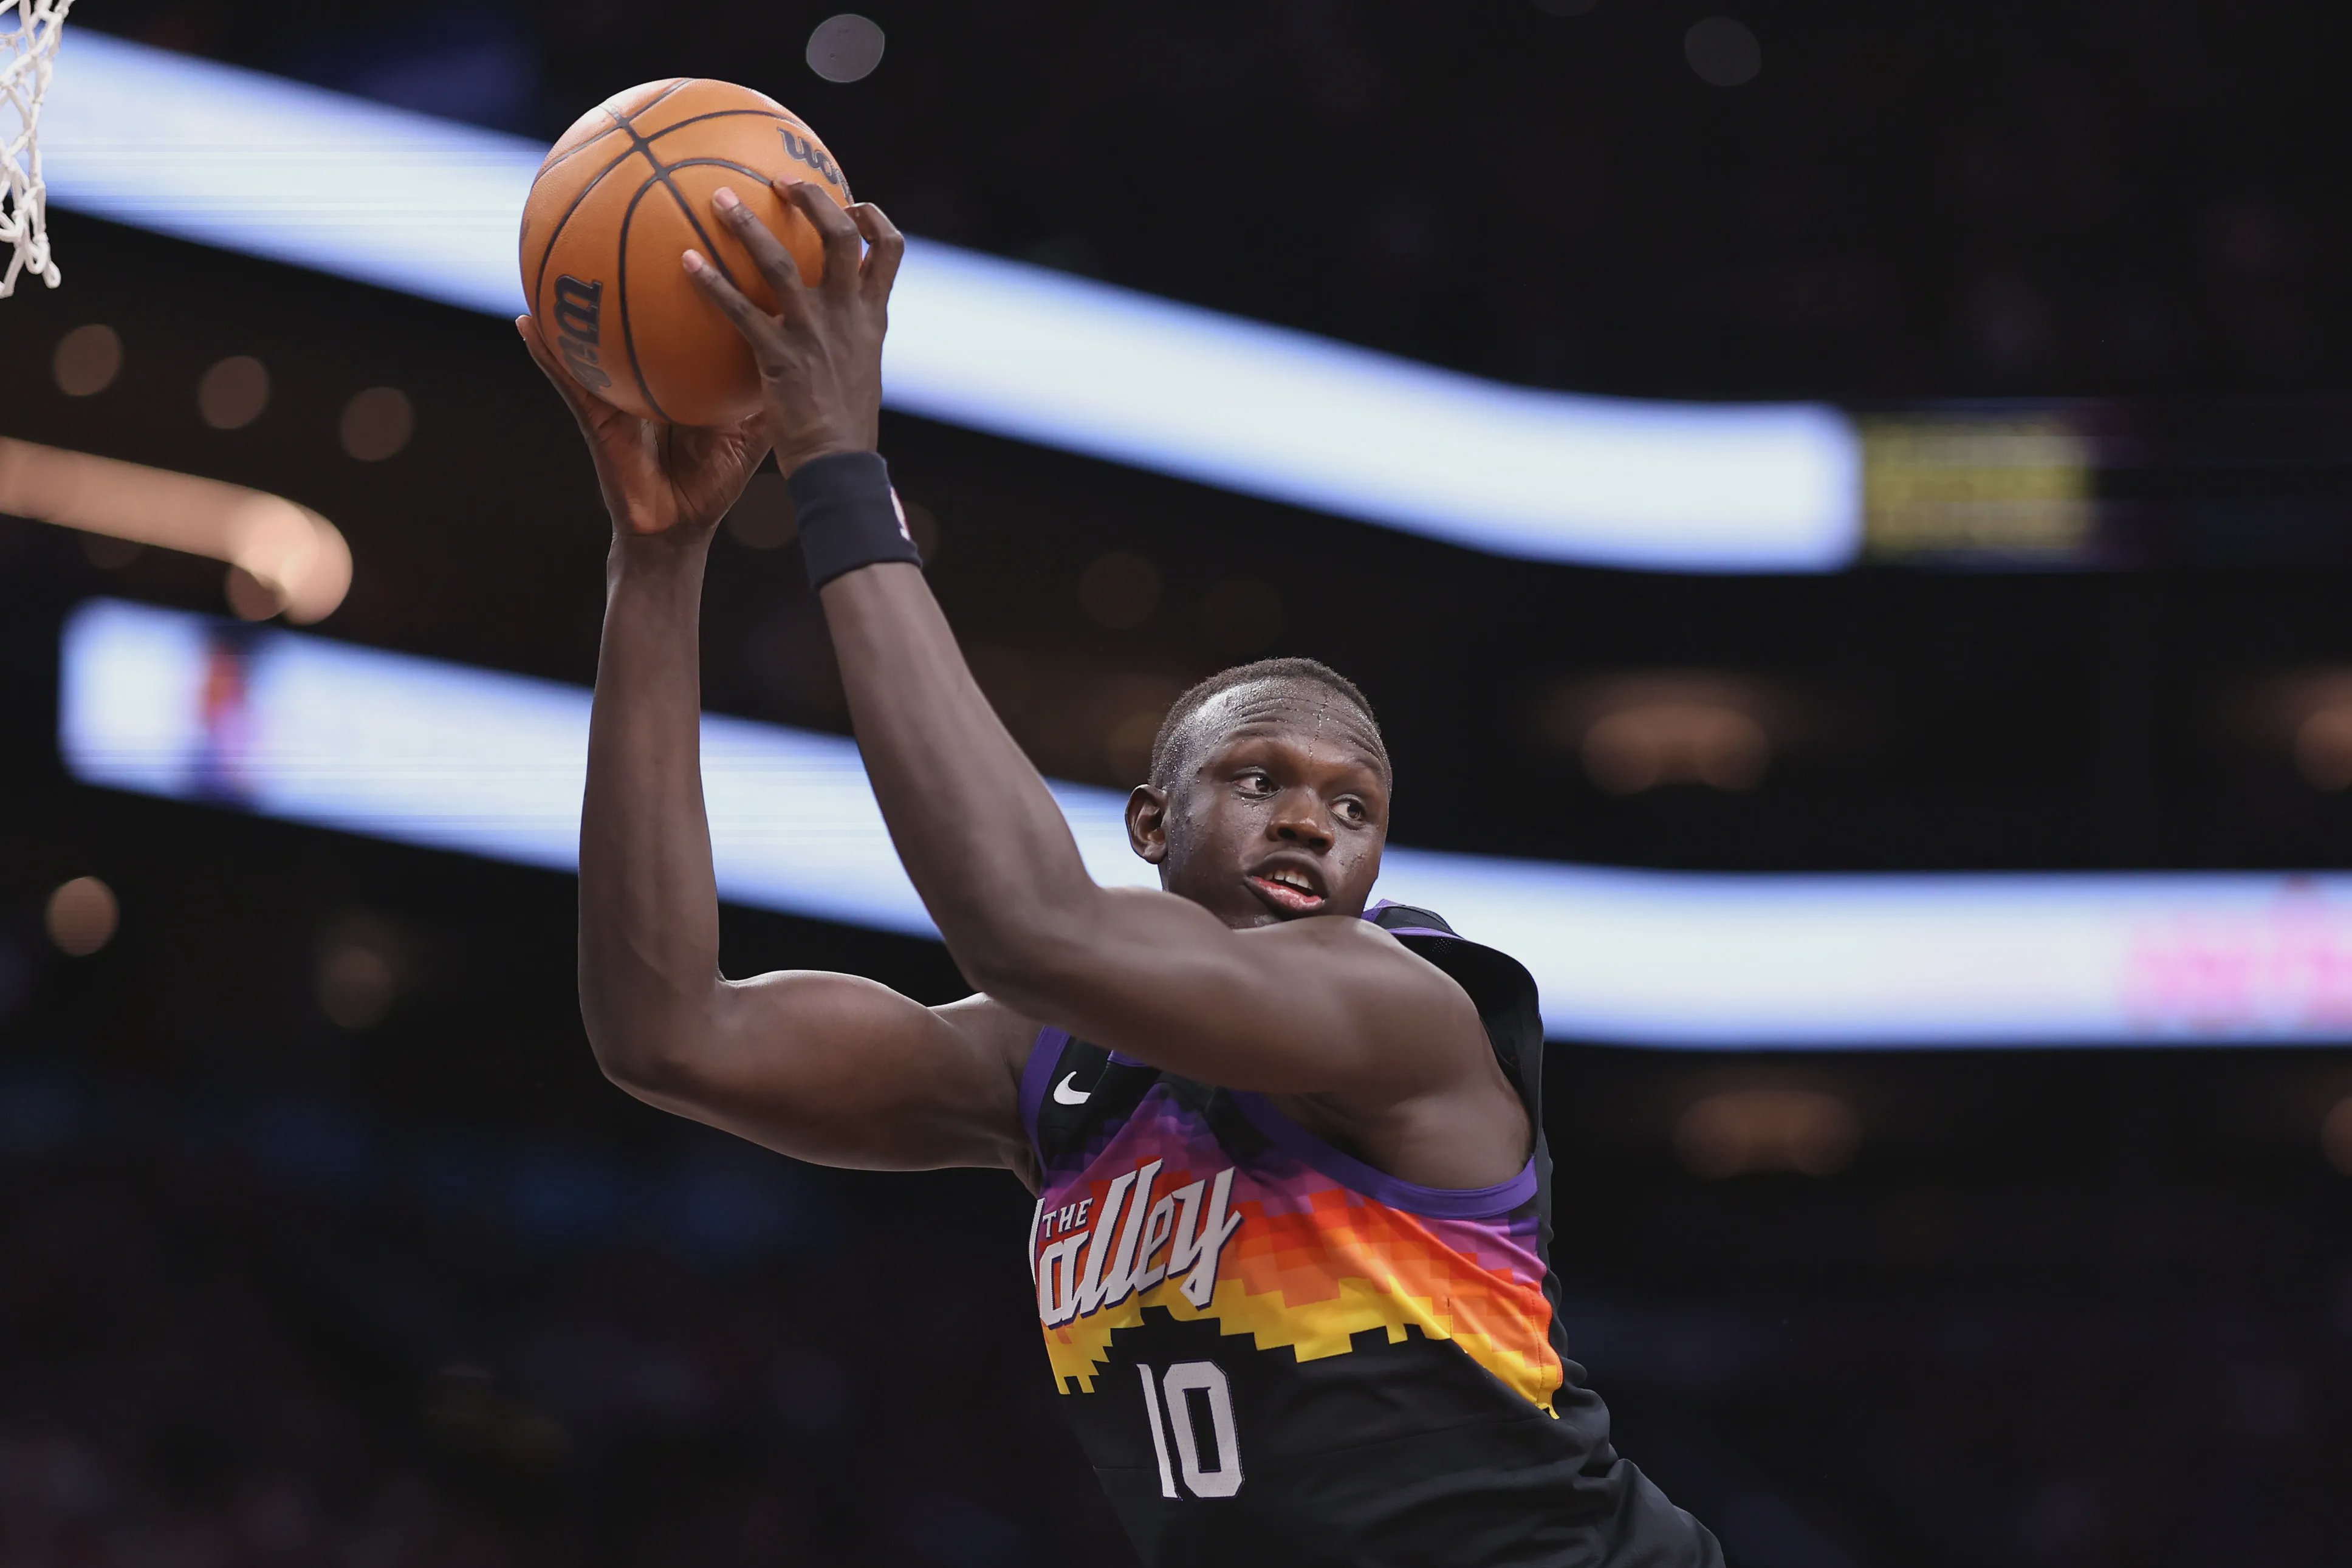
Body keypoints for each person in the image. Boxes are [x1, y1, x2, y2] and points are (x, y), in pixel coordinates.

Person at [516, 175, 1721, 1568]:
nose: (1310, 821)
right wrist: (658, 561)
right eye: (1258, 779)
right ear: (1151, 824)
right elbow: (669, 1033)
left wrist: (837, 467)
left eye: (1354, 806)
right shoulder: (1046, 1072)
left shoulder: (1399, 1005)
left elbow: (1028, 926)